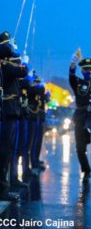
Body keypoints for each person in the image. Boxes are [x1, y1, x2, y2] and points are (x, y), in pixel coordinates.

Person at [0, 47, 28, 200]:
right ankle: (3, 188)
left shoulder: (5, 68)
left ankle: (6, 185)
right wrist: (23, 63)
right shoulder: (6, 68)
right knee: (5, 152)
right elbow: (24, 72)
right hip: (8, 113)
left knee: (9, 151)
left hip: (11, 113)